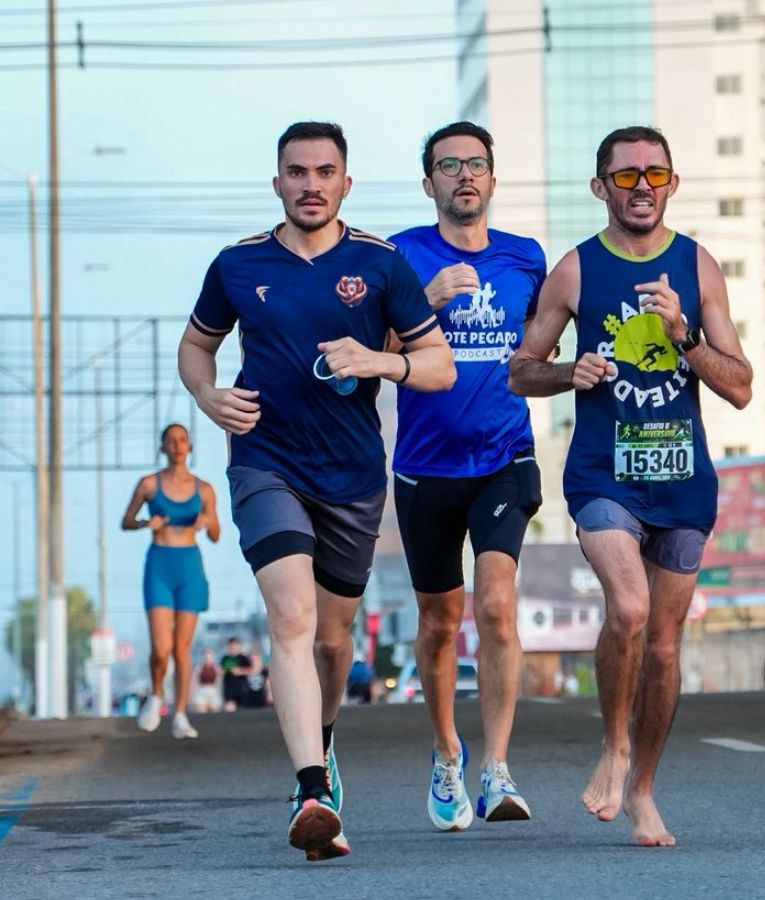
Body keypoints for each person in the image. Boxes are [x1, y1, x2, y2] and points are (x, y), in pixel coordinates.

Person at [178, 121, 455, 861]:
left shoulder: (380, 264)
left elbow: (439, 365)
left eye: (324, 172)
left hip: (351, 478)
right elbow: (196, 345)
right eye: (297, 172)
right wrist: (208, 396)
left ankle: (322, 746)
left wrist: (379, 361)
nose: (310, 185)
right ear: (277, 182)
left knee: (332, 642)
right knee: (292, 617)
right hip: (265, 462)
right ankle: (311, 791)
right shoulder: (238, 264)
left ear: (345, 183)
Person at [509, 126, 752, 846]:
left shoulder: (698, 266)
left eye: (654, 174)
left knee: (665, 648)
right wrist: (568, 372)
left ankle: (643, 786)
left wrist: (684, 336)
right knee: (632, 607)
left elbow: (740, 386)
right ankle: (613, 744)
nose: (641, 187)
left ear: (672, 184)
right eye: (625, 176)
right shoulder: (575, 270)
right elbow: (521, 370)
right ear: (600, 187)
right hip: (603, 475)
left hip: (682, 481)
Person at [389, 121, 546, 831]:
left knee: (496, 606)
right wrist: (423, 301)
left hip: (503, 458)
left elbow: (542, 347)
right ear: (430, 184)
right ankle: (447, 751)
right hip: (424, 468)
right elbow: (370, 351)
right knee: (438, 622)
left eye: (476, 164)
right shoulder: (401, 256)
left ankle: (497, 768)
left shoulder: (526, 257)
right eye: (449, 166)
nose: (464, 176)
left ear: (492, 177)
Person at [120, 422, 220, 740]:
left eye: (182, 440)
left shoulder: (204, 489)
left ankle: (179, 714)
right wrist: (146, 523)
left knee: (181, 648)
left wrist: (206, 521)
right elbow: (126, 521)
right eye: (171, 441)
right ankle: (156, 694)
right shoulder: (149, 484)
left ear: (190, 446)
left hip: (189, 566)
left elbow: (216, 534)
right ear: (162, 447)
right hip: (160, 565)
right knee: (161, 648)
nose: (177, 446)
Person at [220, 636, 251, 712]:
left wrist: (239, 671)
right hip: (229, 690)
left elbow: (251, 670)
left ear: (238, 646)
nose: (232, 647)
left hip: (242, 689)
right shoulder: (225, 658)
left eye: (234, 645)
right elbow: (220, 671)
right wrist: (225, 670)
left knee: (243, 711)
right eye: (231, 645)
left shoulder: (244, 658)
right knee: (230, 710)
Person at [192, 649, 222, 714]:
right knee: (201, 711)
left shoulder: (217, 668)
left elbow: (219, 681)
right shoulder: (199, 667)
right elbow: (194, 682)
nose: (208, 659)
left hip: (213, 690)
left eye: (209, 657)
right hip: (202, 689)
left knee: (215, 711)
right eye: (205, 657)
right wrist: (193, 695)